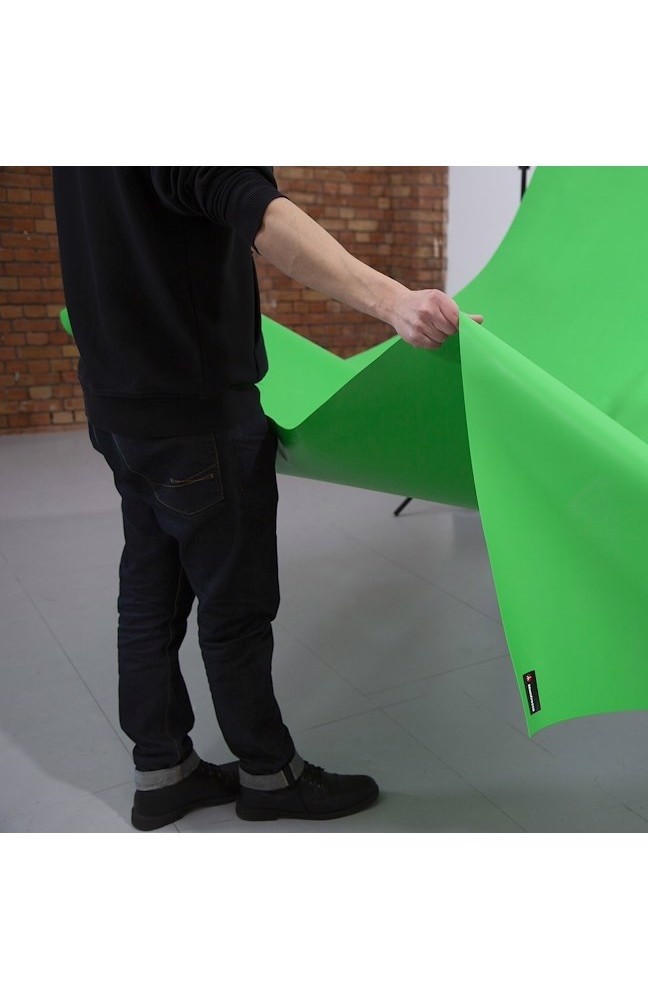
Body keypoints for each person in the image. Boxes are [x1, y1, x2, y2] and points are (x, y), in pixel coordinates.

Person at [52, 167, 482, 831]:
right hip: (195, 414)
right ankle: (269, 774)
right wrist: (395, 301)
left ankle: (162, 773)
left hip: (119, 407)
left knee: (149, 596)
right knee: (237, 608)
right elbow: (263, 216)